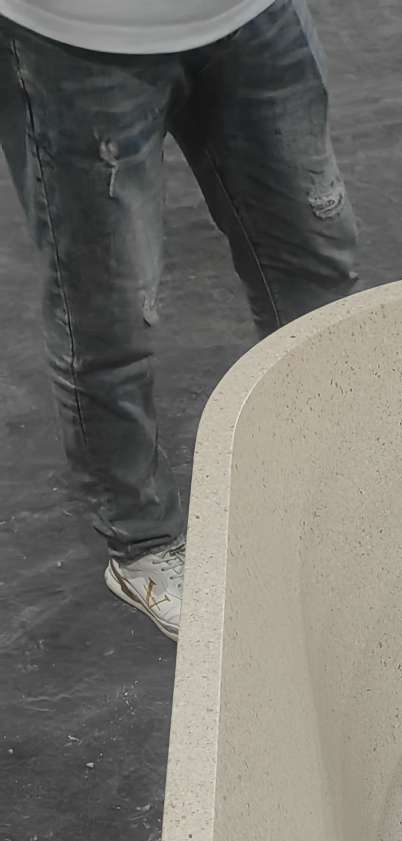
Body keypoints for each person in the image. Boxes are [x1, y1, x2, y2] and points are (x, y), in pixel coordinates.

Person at [0, 0, 358, 638]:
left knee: (314, 270)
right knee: (108, 317)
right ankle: (143, 542)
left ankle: (325, 474)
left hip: (252, 15)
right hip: (76, 40)